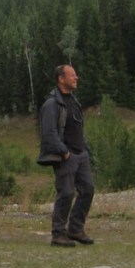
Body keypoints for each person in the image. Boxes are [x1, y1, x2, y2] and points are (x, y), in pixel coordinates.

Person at [37, 64, 95, 247]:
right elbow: (48, 133)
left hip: (81, 155)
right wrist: (64, 151)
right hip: (65, 157)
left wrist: (85, 149)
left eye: (76, 75)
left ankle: (76, 229)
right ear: (61, 79)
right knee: (66, 193)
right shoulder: (51, 104)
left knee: (88, 190)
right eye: (72, 75)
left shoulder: (74, 101)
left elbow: (78, 128)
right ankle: (58, 234)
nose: (76, 78)